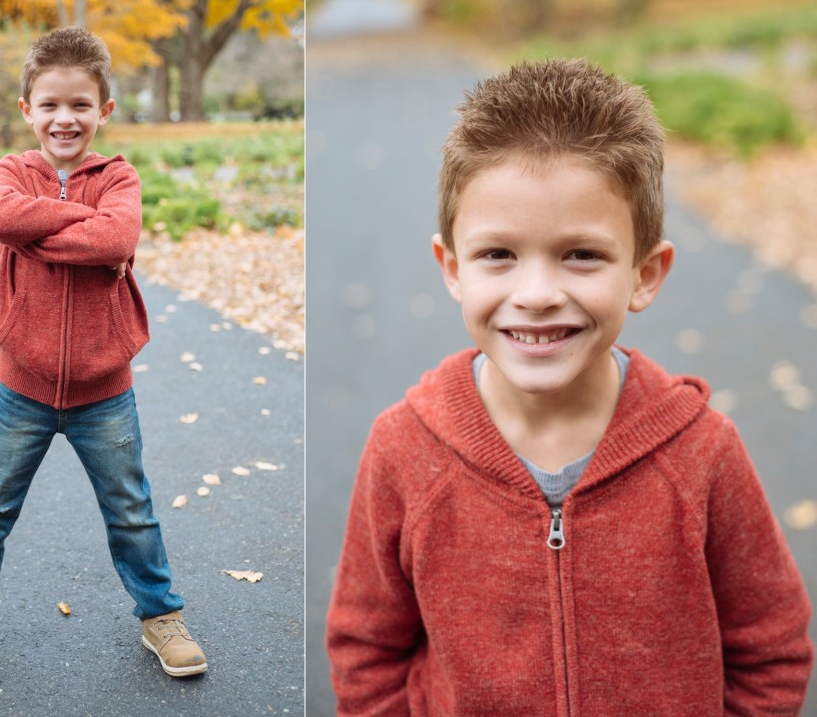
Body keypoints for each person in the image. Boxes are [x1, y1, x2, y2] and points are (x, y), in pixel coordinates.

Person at [325, 58, 812, 714]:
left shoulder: (704, 452)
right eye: (498, 254)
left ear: (644, 273)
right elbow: (366, 650)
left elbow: (772, 647)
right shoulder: (403, 449)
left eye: (581, 255)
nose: (536, 294)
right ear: (453, 268)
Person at [0, 26, 206, 679]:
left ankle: (160, 616)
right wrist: (83, 230)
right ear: (27, 109)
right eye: (50, 105)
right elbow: (0, 219)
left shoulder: (118, 176)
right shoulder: (9, 173)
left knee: (131, 512)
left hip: (105, 392)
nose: (65, 119)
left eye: (80, 105)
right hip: (22, 388)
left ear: (105, 110)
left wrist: (42, 233)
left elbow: (116, 237)